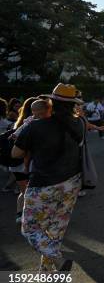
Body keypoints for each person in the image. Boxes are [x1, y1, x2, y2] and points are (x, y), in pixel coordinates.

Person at [12, 84, 84, 273]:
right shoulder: (79, 123)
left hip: (43, 184)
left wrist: (25, 130)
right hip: (71, 182)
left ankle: (56, 259)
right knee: (55, 229)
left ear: (51, 102)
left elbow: (15, 153)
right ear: (73, 104)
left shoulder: (35, 126)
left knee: (30, 229)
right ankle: (47, 273)